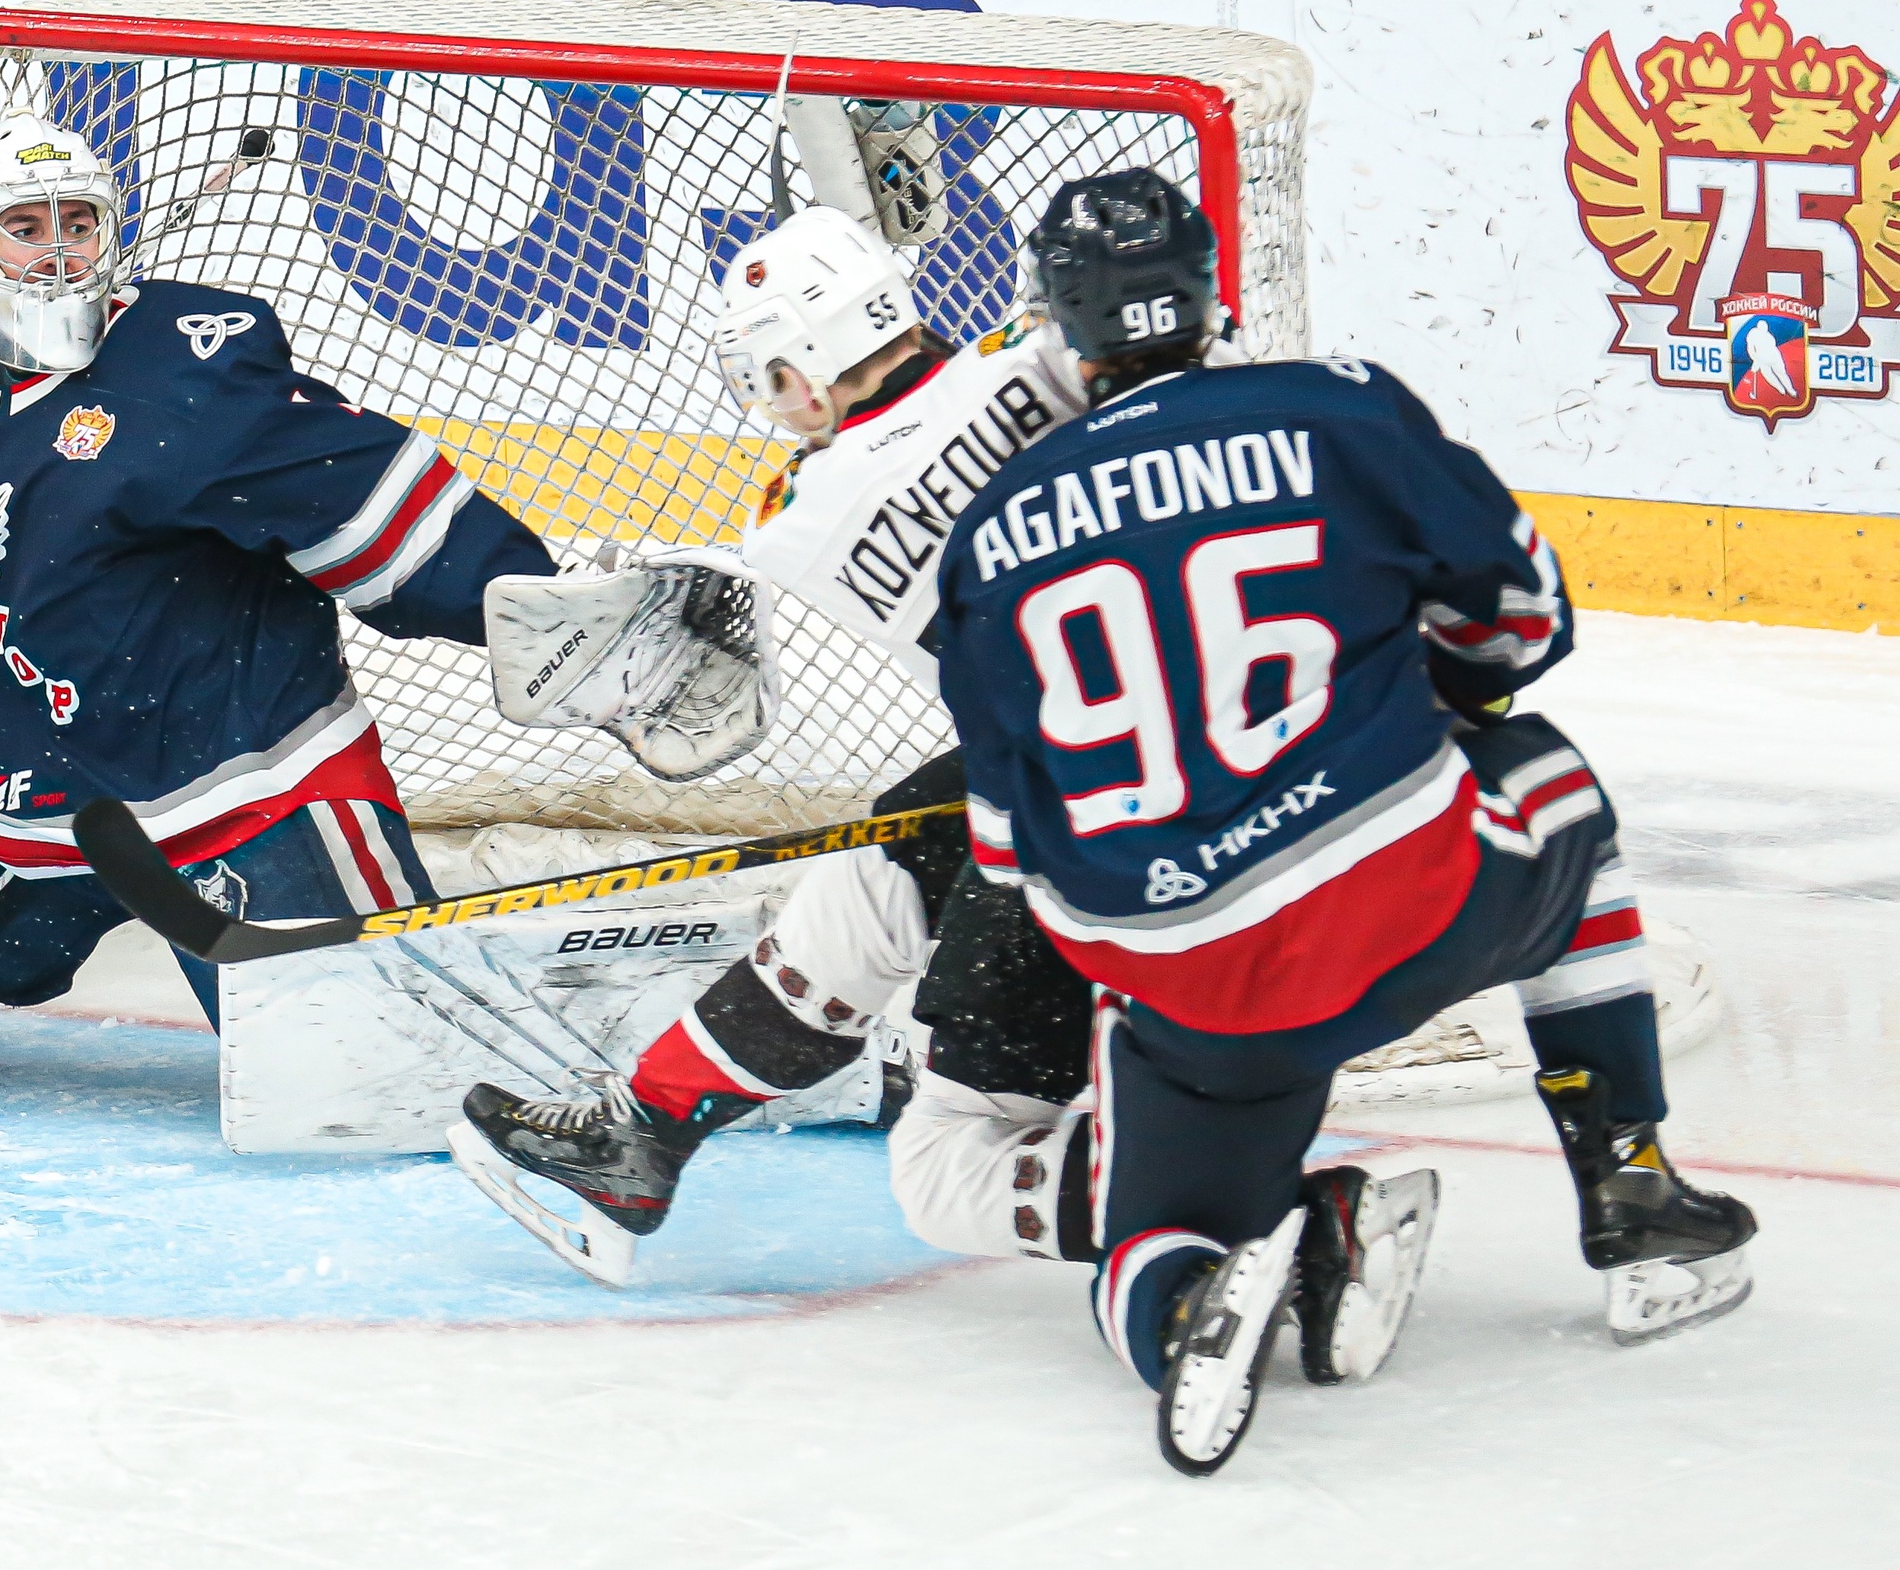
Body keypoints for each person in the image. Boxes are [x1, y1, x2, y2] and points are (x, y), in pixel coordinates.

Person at [917, 169, 1756, 1475]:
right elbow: (1524, 624)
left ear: (1061, 327)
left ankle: (1185, 1306)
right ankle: (1629, 1179)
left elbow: (1007, 853)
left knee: (1147, 1237)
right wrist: (1433, 694)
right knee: (1554, 787)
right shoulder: (1337, 409)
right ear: (1210, 293)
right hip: (1402, 901)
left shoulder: (986, 537)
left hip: (1188, 986)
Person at [447, 203, 1408, 1316]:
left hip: (1095, 814)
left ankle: (1266, 1222)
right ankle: (648, 1131)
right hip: (1245, 744)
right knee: (874, 870)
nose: (770, 402)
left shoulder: (797, 516)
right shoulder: (1045, 356)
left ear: (802, 369)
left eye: (768, 376)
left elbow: (858, 486)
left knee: (948, 1165)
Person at [0, 112, 563, 1027]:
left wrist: (531, 606)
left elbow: (364, 496)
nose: (59, 254)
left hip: (240, 791)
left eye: (79, 224)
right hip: (17, 800)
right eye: (24, 227)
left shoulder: (187, 369)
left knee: (361, 1042)